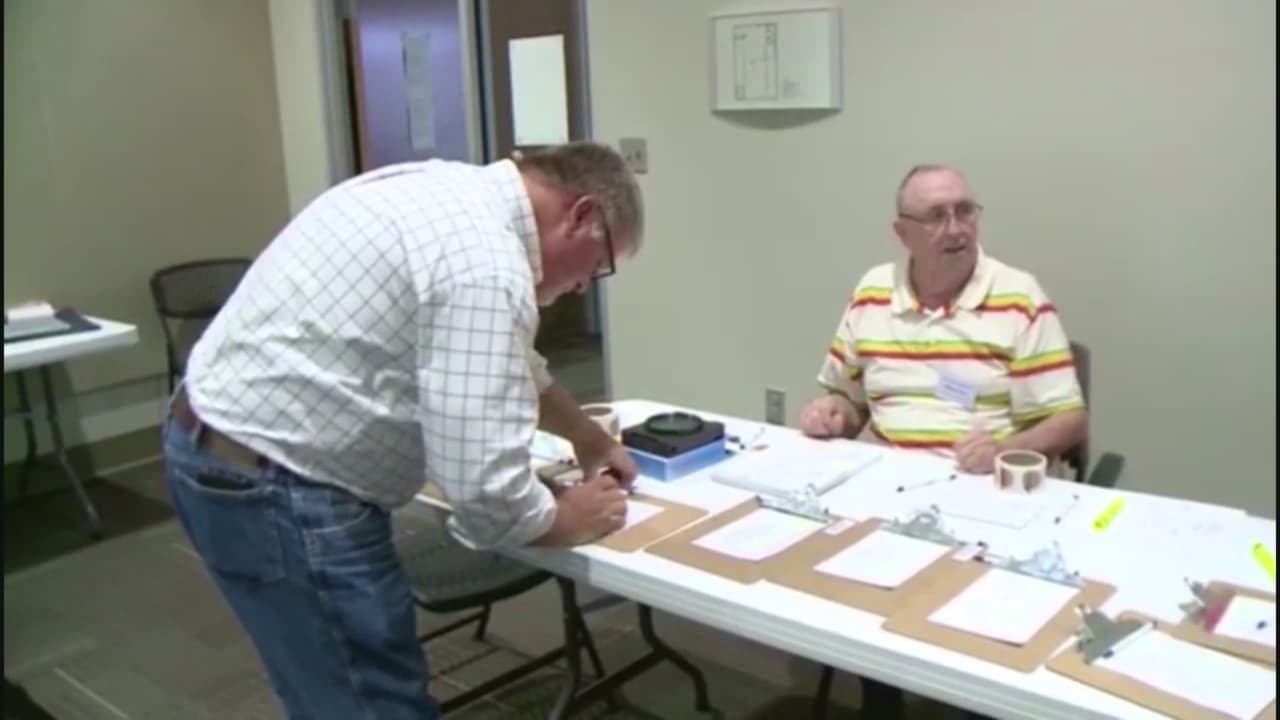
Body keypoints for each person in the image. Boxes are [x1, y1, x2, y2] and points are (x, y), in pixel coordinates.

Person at [161, 142, 644, 719]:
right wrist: (566, 518)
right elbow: (485, 491)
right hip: (282, 488)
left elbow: (511, 361)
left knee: (321, 683)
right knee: (367, 700)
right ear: (582, 215)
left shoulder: (443, 191)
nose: (586, 285)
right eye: (599, 264)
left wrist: (588, 438)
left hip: (217, 445)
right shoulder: (487, 264)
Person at [799, 164, 1086, 474]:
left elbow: (1069, 420)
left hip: (980, 482)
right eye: (937, 216)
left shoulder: (1019, 297)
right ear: (903, 233)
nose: (956, 229)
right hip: (886, 478)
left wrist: (1002, 451)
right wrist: (834, 414)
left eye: (965, 212)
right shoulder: (873, 291)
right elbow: (850, 401)